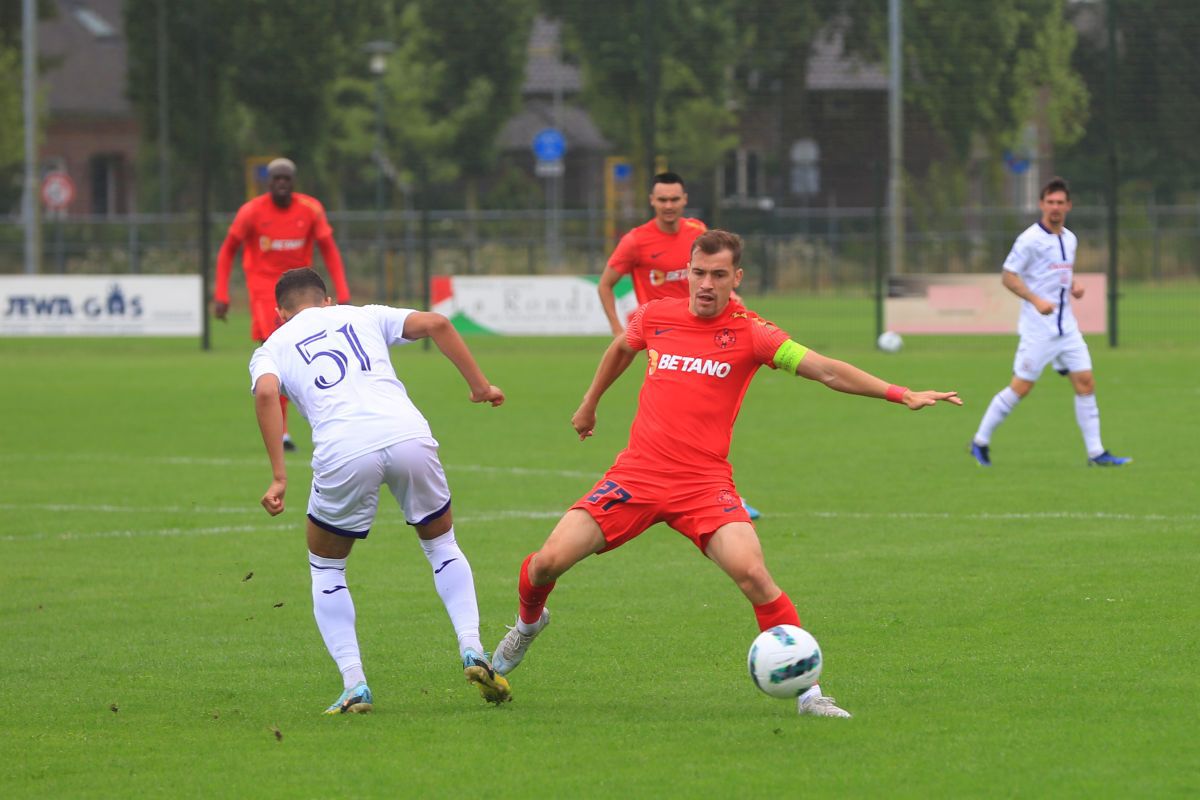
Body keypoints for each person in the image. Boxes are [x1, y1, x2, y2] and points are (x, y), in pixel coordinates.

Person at [493, 230, 962, 718]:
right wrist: (590, 403)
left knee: (754, 575)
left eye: (718, 275)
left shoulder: (753, 332)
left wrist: (900, 393)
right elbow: (621, 349)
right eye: (698, 273)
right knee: (546, 562)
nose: (706, 284)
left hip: (703, 485)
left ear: (736, 278)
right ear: (688, 271)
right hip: (637, 475)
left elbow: (825, 370)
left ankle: (810, 694)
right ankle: (527, 626)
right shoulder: (655, 315)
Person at [250, 268, 511, 714]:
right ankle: (472, 648)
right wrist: (480, 387)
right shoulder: (364, 314)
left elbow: (266, 393)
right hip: (408, 435)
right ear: (328, 300)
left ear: (280, 313)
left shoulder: (272, 345)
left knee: (327, 568)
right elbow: (438, 323)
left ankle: (355, 684)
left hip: (344, 450)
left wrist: (279, 476)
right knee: (442, 545)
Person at [598, 172, 764, 520]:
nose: (669, 205)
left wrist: (732, 299)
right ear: (652, 201)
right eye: (662, 199)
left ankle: (717, 493)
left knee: (707, 416)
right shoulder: (636, 241)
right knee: (672, 420)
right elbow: (606, 284)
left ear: (685, 200)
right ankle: (654, 487)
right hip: (663, 337)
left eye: (675, 199)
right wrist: (617, 329)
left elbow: (716, 270)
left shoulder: (696, 232)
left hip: (707, 335)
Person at [970, 176, 1131, 467]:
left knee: (1085, 382)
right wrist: (1035, 300)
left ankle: (1096, 454)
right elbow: (1008, 276)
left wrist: (1074, 284)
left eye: (1060, 202)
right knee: (1020, 388)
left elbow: (1059, 273)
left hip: (1067, 327)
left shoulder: (1070, 238)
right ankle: (980, 442)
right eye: (1050, 202)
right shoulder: (1029, 239)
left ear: (1069, 206)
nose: (1055, 207)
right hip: (1038, 329)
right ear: (1041, 204)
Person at [217, 157, 352, 452]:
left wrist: (343, 291)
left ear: (293, 181)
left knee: (309, 355)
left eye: (286, 178)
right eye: (276, 178)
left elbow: (329, 250)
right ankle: (282, 432)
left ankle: (324, 419)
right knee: (278, 356)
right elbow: (227, 251)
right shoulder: (251, 211)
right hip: (265, 292)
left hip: (302, 289)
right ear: (268, 182)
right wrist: (221, 294)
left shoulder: (310, 209)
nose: (281, 183)